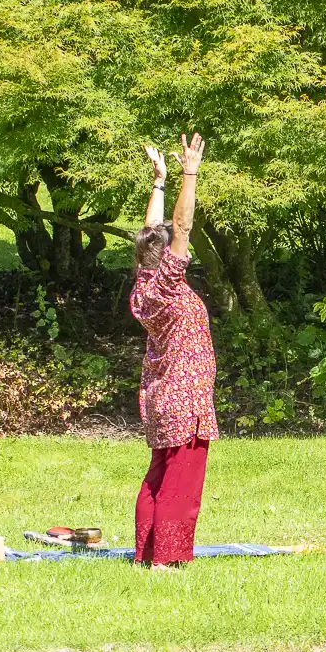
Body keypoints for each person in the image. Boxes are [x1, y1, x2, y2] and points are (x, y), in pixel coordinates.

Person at [132, 135, 216, 570]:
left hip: (162, 397)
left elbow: (153, 235)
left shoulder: (143, 288)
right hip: (186, 400)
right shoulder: (166, 285)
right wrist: (189, 173)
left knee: (158, 477)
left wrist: (159, 182)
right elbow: (179, 229)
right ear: (166, 258)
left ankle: (144, 556)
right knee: (181, 483)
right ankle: (165, 560)